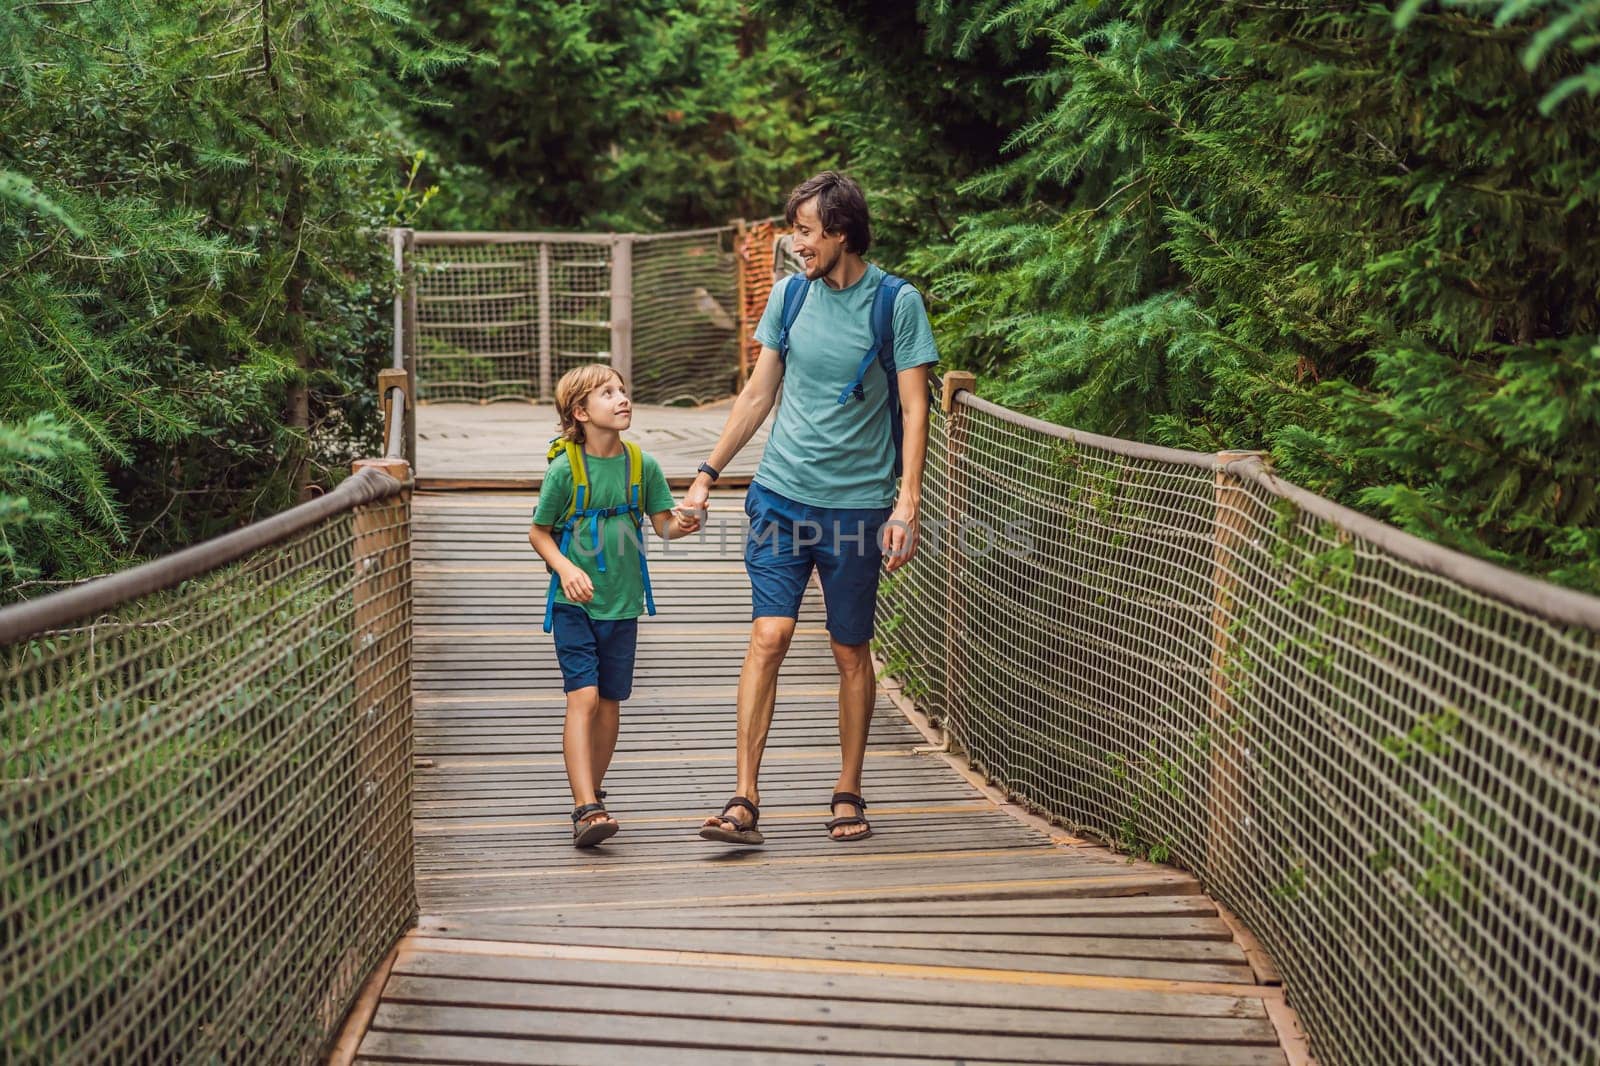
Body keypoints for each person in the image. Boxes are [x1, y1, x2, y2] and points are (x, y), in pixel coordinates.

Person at [677, 172, 939, 844]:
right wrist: (707, 473)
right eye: (796, 230)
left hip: (857, 510)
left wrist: (906, 506)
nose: (796, 244)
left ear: (841, 233)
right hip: (780, 497)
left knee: (850, 651)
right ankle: (744, 798)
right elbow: (758, 395)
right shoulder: (791, 297)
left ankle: (848, 791)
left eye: (805, 231)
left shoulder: (896, 304)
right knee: (770, 634)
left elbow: (914, 411)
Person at [529, 364, 697, 847]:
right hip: (573, 604)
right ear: (580, 413)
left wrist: (683, 525)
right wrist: (566, 568)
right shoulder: (565, 470)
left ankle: (594, 795)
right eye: (608, 393)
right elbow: (538, 532)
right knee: (582, 697)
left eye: (623, 390)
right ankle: (585, 805)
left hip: (623, 604)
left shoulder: (643, 466)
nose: (622, 398)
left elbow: (663, 524)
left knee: (609, 703)